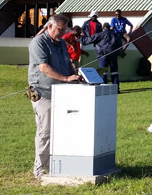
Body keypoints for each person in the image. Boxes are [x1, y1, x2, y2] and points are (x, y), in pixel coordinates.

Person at [27, 14, 81, 180]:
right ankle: (39, 169)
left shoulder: (62, 43)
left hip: (60, 92)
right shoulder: (38, 43)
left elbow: (68, 64)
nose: (62, 32)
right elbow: (43, 67)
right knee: (45, 131)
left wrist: (76, 76)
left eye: (64, 29)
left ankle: (54, 164)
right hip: (40, 92)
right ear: (49, 26)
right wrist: (65, 78)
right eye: (59, 29)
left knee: (59, 131)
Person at [81, 22, 122, 92]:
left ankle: (103, 89)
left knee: (102, 72)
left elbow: (87, 41)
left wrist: (80, 38)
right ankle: (116, 89)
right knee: (114, 72)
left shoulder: (100, 34)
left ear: (103, 28)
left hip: (102, 55)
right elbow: (120, 45)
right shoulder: (116, 35)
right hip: (113, 56)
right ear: (110, 28)